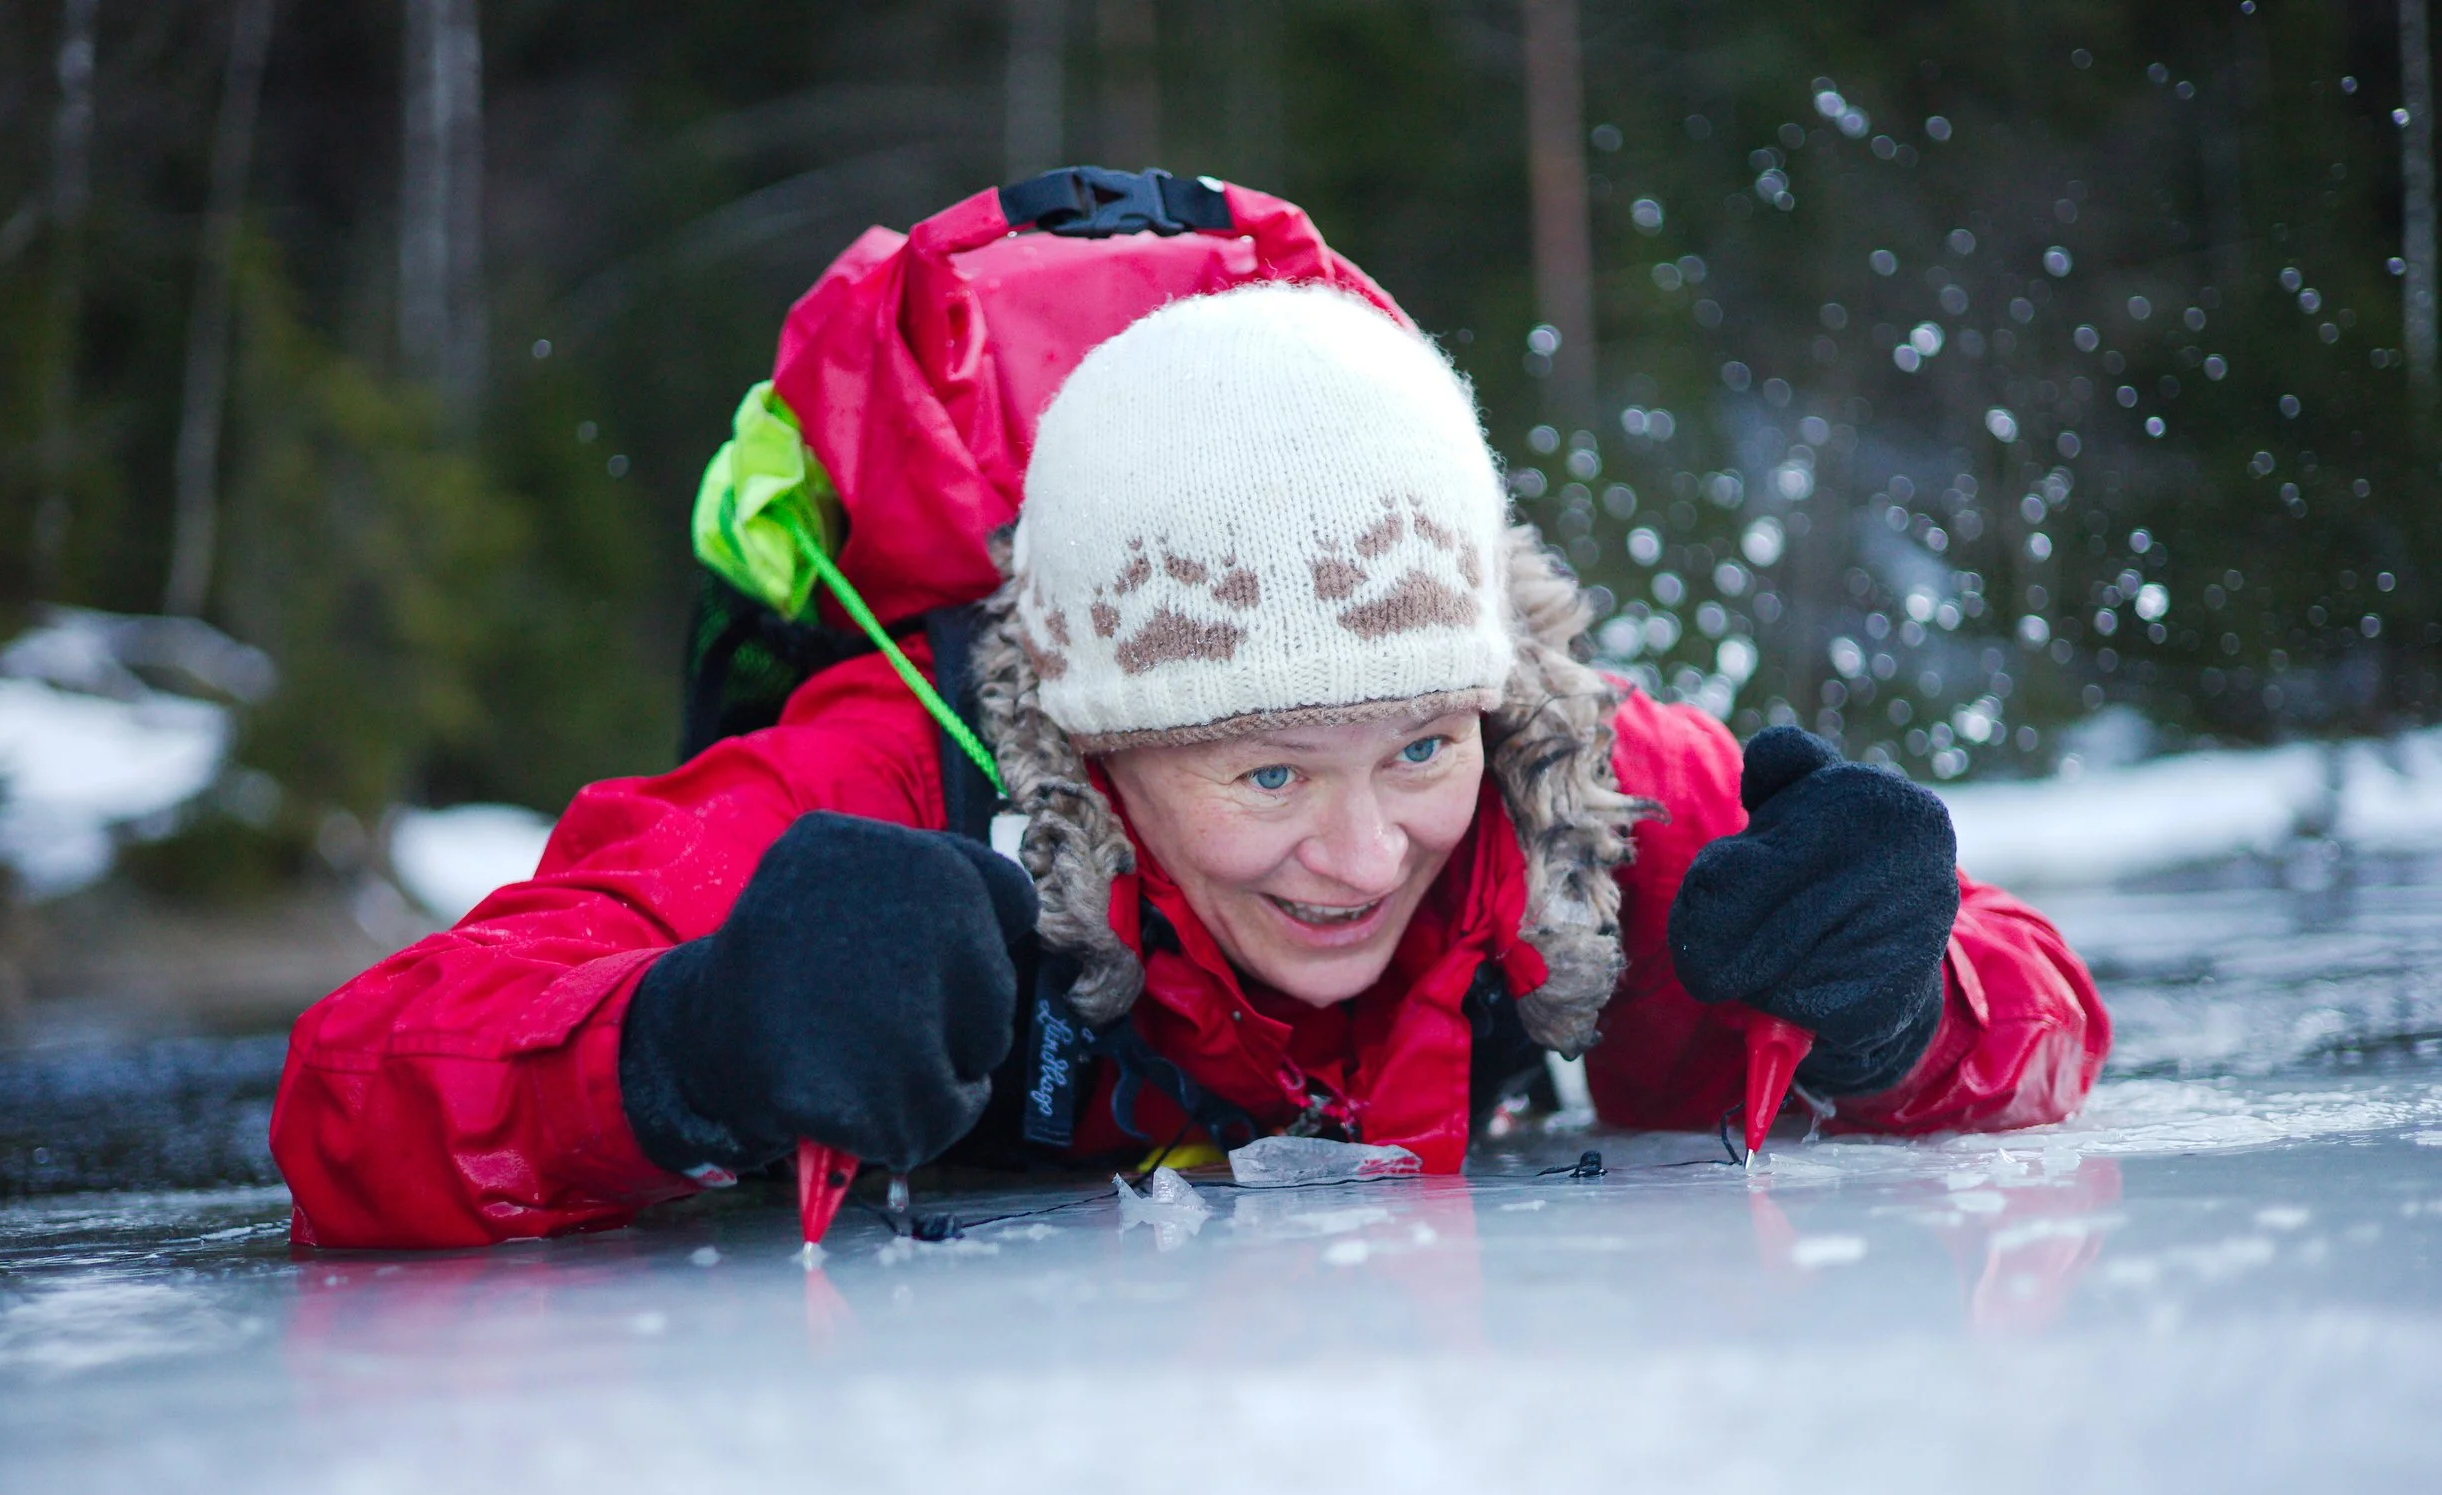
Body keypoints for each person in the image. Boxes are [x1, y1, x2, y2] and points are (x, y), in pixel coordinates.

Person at [271, 279, 2107, 1251]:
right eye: (1263, 775)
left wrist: (1900, 1001)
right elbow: (357, 1094)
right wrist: (680, 1048)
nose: (1366, 852)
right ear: (1089, 744)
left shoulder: (1583, 778)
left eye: (1414, 743)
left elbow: (2044, 1015)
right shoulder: (882, 776)